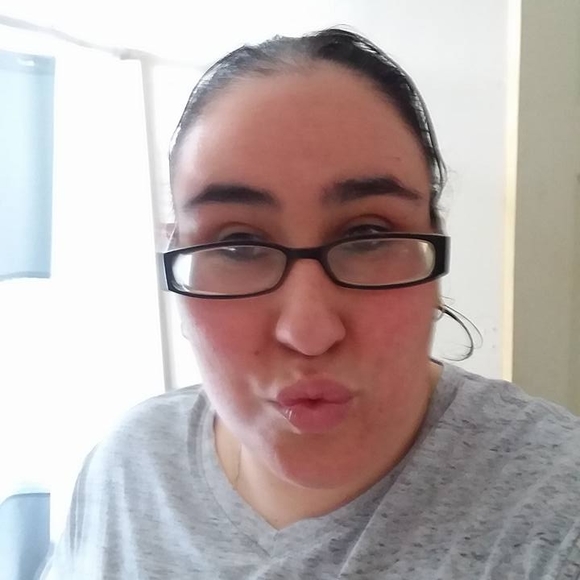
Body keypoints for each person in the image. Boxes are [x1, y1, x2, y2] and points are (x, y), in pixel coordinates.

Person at [42, 28, 580, 579]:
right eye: (237, 244)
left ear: (434, 256)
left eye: (369, 235)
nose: (309, 332)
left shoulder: (557, 509)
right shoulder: (127, 468)